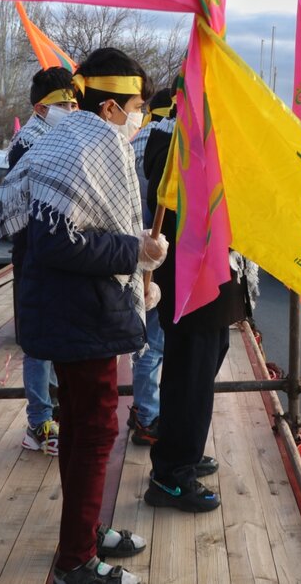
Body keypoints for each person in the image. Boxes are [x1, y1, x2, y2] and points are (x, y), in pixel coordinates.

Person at [0, 47, 165, 584]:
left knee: (84, 428)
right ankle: (75, 560)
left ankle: (83, 533)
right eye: (135, 105)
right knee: (94, 431)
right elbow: (60, 243)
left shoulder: (71, 137)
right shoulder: (90, 145)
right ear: (110, 106)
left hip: (75, 312)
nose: (139, 116)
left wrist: (131, 259)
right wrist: (133, 253)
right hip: (77, 315)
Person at [143, 103, 252, 513]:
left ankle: (182, 454)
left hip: (209, 283)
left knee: (196, 377)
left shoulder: (189, 139)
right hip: (195, 283)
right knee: (189, 381)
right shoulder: (178, 143)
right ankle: (171, 476)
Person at [5, 66, 79, 457]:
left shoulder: (66, 140)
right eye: (61, 104)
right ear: (39, 108)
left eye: (73, 102)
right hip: (34, 256)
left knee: (58, 339)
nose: (69, 108)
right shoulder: (27, 144)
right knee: (37, 344)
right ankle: (38, 422)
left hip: (60, 255)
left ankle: (57, 414)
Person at [125, 87, 173, 447]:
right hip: (153, 249)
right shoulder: (162, 143)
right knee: (154, 342)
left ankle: (144, 411)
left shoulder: (135, 139)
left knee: (149, 339)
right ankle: (147, 416)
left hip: (135, 249)